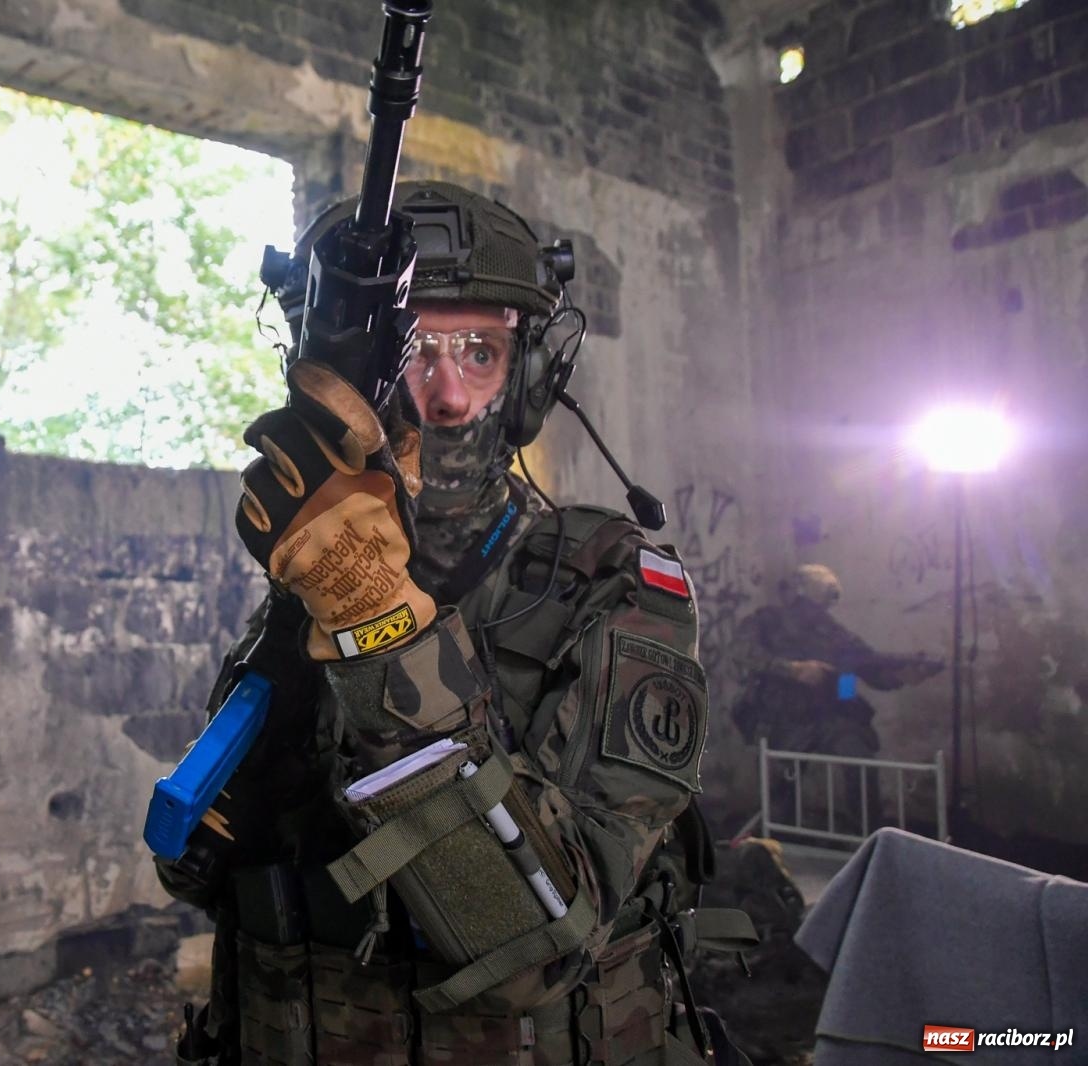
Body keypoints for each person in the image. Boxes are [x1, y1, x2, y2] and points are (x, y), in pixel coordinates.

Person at [157, 182, 751, 1065]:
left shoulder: (614, 582)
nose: (444, 398)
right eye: (408, 353)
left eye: (479, 351)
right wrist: (320, 610)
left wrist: (379, 625)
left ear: (529, 378)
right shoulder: (316, 572)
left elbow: (531, 959)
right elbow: (197, 870)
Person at [731, 563, 943, 834]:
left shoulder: (838, 635)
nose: (815, 613)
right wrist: (794, 670)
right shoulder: (767, 621)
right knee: (780, 789)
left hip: (829, 717)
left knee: (861, 762)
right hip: (781, 718)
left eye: (820, 607)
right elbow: (742, 652)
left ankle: (867, 840)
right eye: (810, 605)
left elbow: (873, 671)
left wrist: (907, 675)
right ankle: (778, 845)